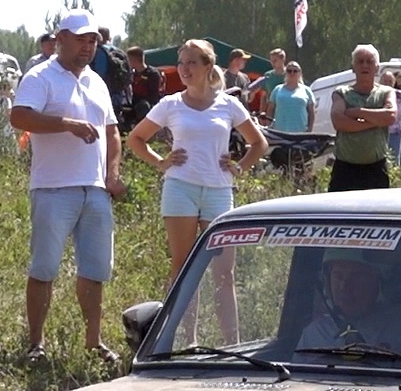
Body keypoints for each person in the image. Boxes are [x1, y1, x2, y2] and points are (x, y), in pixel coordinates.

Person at [7, 10, 125, 364]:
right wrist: (66, 124)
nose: (88, 46)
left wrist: (112, 174)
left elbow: (112, 132)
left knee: (94, 269)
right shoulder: (40, 76)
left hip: (94, 190)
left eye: (93, 40)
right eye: (81, 39)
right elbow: (19, 117)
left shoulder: (97, 82)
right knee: (44, 268)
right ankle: (36, 344)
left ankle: (93, 341)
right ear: (60, 38)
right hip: (53, 188)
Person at [126, 39, 267, 321]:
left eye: (191, 62)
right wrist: (161, 162)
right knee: (182, 267)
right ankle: (180, 341)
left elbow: (259, 144)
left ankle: (230, 345)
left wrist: (238, 168)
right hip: (181, 188)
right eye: (181, 63)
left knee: (224, 274)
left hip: (219, 190)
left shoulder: (228, 105)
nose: (184, 69)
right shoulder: (170, 104)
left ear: (208, 66)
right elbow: (135, 139)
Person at [296, 249, 401, 352]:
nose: (344, 287)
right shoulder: (315, 334)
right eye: (338, 276)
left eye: (357, 276)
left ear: (380, 281)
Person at [328, 44, 397, 191]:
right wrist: (375, 122)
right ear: (353, 67)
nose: (365, 65)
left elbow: (390, 116)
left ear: (377, 68)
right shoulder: (342, 93)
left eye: (370, 61)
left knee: (376, 213)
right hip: (345, 170)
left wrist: (356, 112)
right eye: (360, 61)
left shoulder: (386, 92)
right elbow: (339, 121)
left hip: (376, 169)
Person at [269, 61, 315, 134]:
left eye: (295, 71)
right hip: (279, 132)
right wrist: (269, 127)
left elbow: (311, 113)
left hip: (301, 133)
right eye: (289, 71)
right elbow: (270, 110)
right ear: (285, 73)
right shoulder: (277, 89)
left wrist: (309, 129)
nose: (292, 73)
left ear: (300, 73)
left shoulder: (307, 91)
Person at [124, 46, 164, 128]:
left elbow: (153, 95)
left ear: (134, 60)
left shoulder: (152, 74)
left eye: (128, 60)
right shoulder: (132, 74)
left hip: (147, 105)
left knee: (143, 106)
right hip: (134, 103)